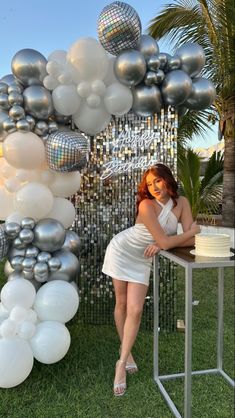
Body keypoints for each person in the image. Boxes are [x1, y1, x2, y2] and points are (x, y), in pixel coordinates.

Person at [102, 163, 201, 396]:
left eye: (157, 180)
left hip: (143, 259)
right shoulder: (146, 205)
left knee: (135, 310)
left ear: (167, 179)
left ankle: (121, 359)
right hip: (122, 250)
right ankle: (125, 359)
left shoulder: (182, 203)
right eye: (149, 184)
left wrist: (178, 239)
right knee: (122, 304)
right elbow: (174, 241)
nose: (154, 187)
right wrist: (190, 233)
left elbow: (186, 242)